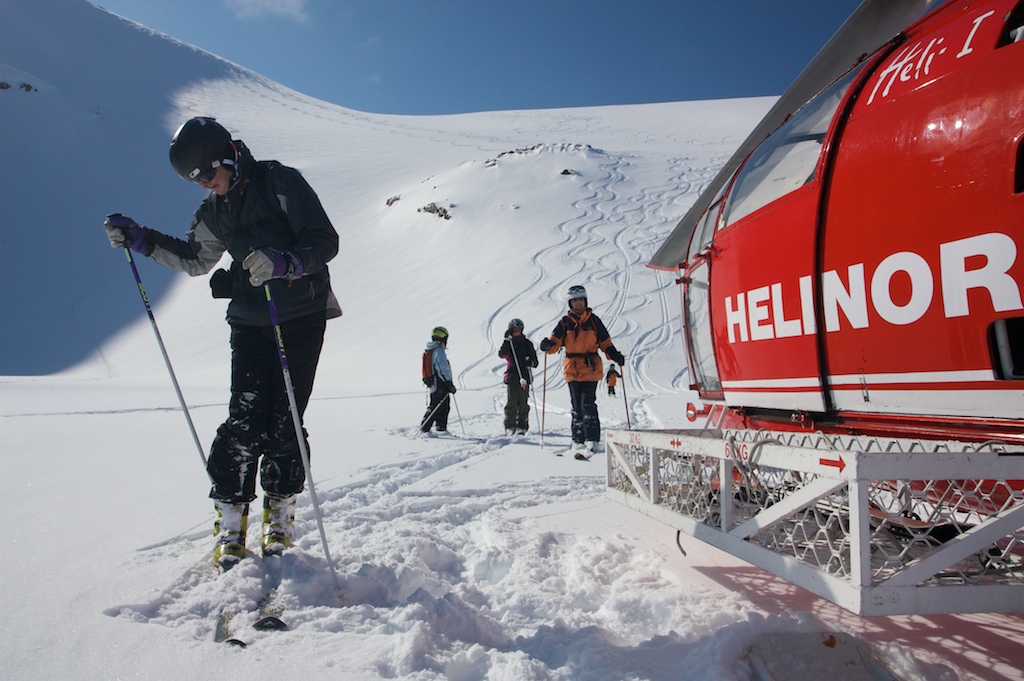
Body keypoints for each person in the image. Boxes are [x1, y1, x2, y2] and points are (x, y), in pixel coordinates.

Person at [103, 116, 340, 572]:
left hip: (301, 317)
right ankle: (232, 518)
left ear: (225, 154)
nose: (204, 184)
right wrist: (142, 239)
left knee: (286, 416)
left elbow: (325, 241)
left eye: (206, 173)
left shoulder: (279, 182)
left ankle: (280, 511)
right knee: (245, 416)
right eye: (195, 180)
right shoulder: (214, 210)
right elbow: (196, 258)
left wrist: (285, 261)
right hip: (250, 320)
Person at [539, 285, 625, 454]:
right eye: (575, 301)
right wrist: (548, 345)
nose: (578, 304)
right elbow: (555, 342)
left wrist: (614, 354)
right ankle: (577, 440)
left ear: (585, 301)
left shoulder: (594, 321)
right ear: (570, 303)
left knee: (588, 404)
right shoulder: (565, 322)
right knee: (576, 406)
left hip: (590, 367)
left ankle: (592, 439)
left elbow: (605, 342)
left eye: (581, 300)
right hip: (572, 368)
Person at [498, 318, 538, 435]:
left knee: (523, 403)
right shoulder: (509, 343)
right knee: (512, 402)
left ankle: (522, 425)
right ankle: (510, 426)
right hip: (512, 376)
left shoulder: (527, 344)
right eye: (514, 330)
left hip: (524, 377)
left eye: (518, 330)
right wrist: (506, 340)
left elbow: (535, 361)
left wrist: (529, 362)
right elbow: (502, 354)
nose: (516, 332)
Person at [421, 326, 456, 433]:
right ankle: (425, 427)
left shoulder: (430, 350)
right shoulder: (439, 351)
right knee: (438, 407)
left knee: (441, 406)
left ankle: (441, 428)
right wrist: (449, 383)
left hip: (433, 384)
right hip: (440, 384)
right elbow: (443, 368)